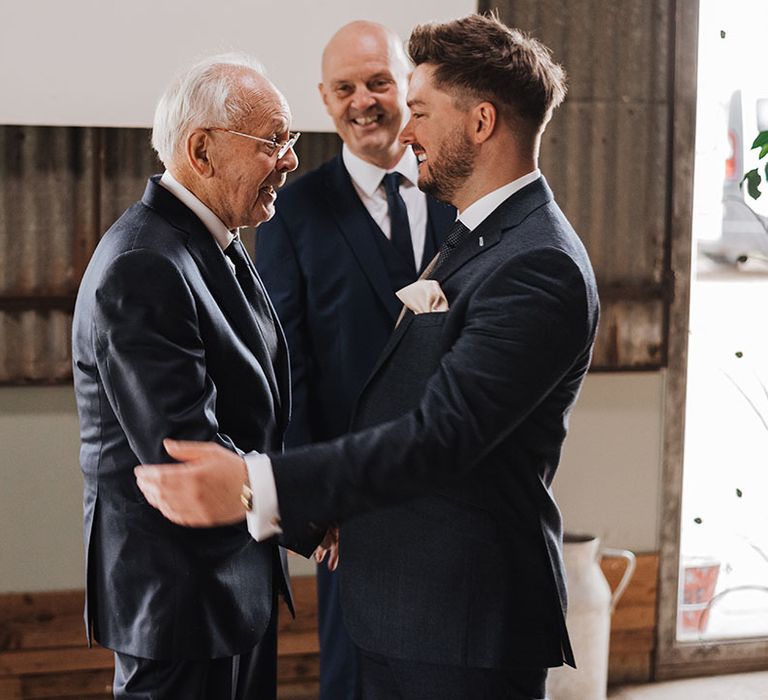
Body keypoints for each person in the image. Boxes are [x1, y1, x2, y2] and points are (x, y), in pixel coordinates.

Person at [136, 13, 600, 700]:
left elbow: (441, 436)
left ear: (480, 122)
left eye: (419, 110)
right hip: (403, 604)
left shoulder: (539, 264)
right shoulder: (484, 237)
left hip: (463, 620)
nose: (404, 131)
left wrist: (253, 484)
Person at [72, 54, 304, 699]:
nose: (289, 160)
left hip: (229, 588)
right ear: (201, 151)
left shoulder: (213, 240)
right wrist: (309, 511)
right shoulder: (144, 263)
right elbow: (185, 450)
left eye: (291, 141)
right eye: (273, 142)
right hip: (179, 605)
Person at [253, 20, 454, 700]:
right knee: (356, 679)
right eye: (345, 88)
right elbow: (289, 369)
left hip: (458, 492)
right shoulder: (292, 213)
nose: (363, 101)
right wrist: (316, 504)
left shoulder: (464, 196)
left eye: (378, 82)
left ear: (408, 86)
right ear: (324, 97)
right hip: (353, 505)